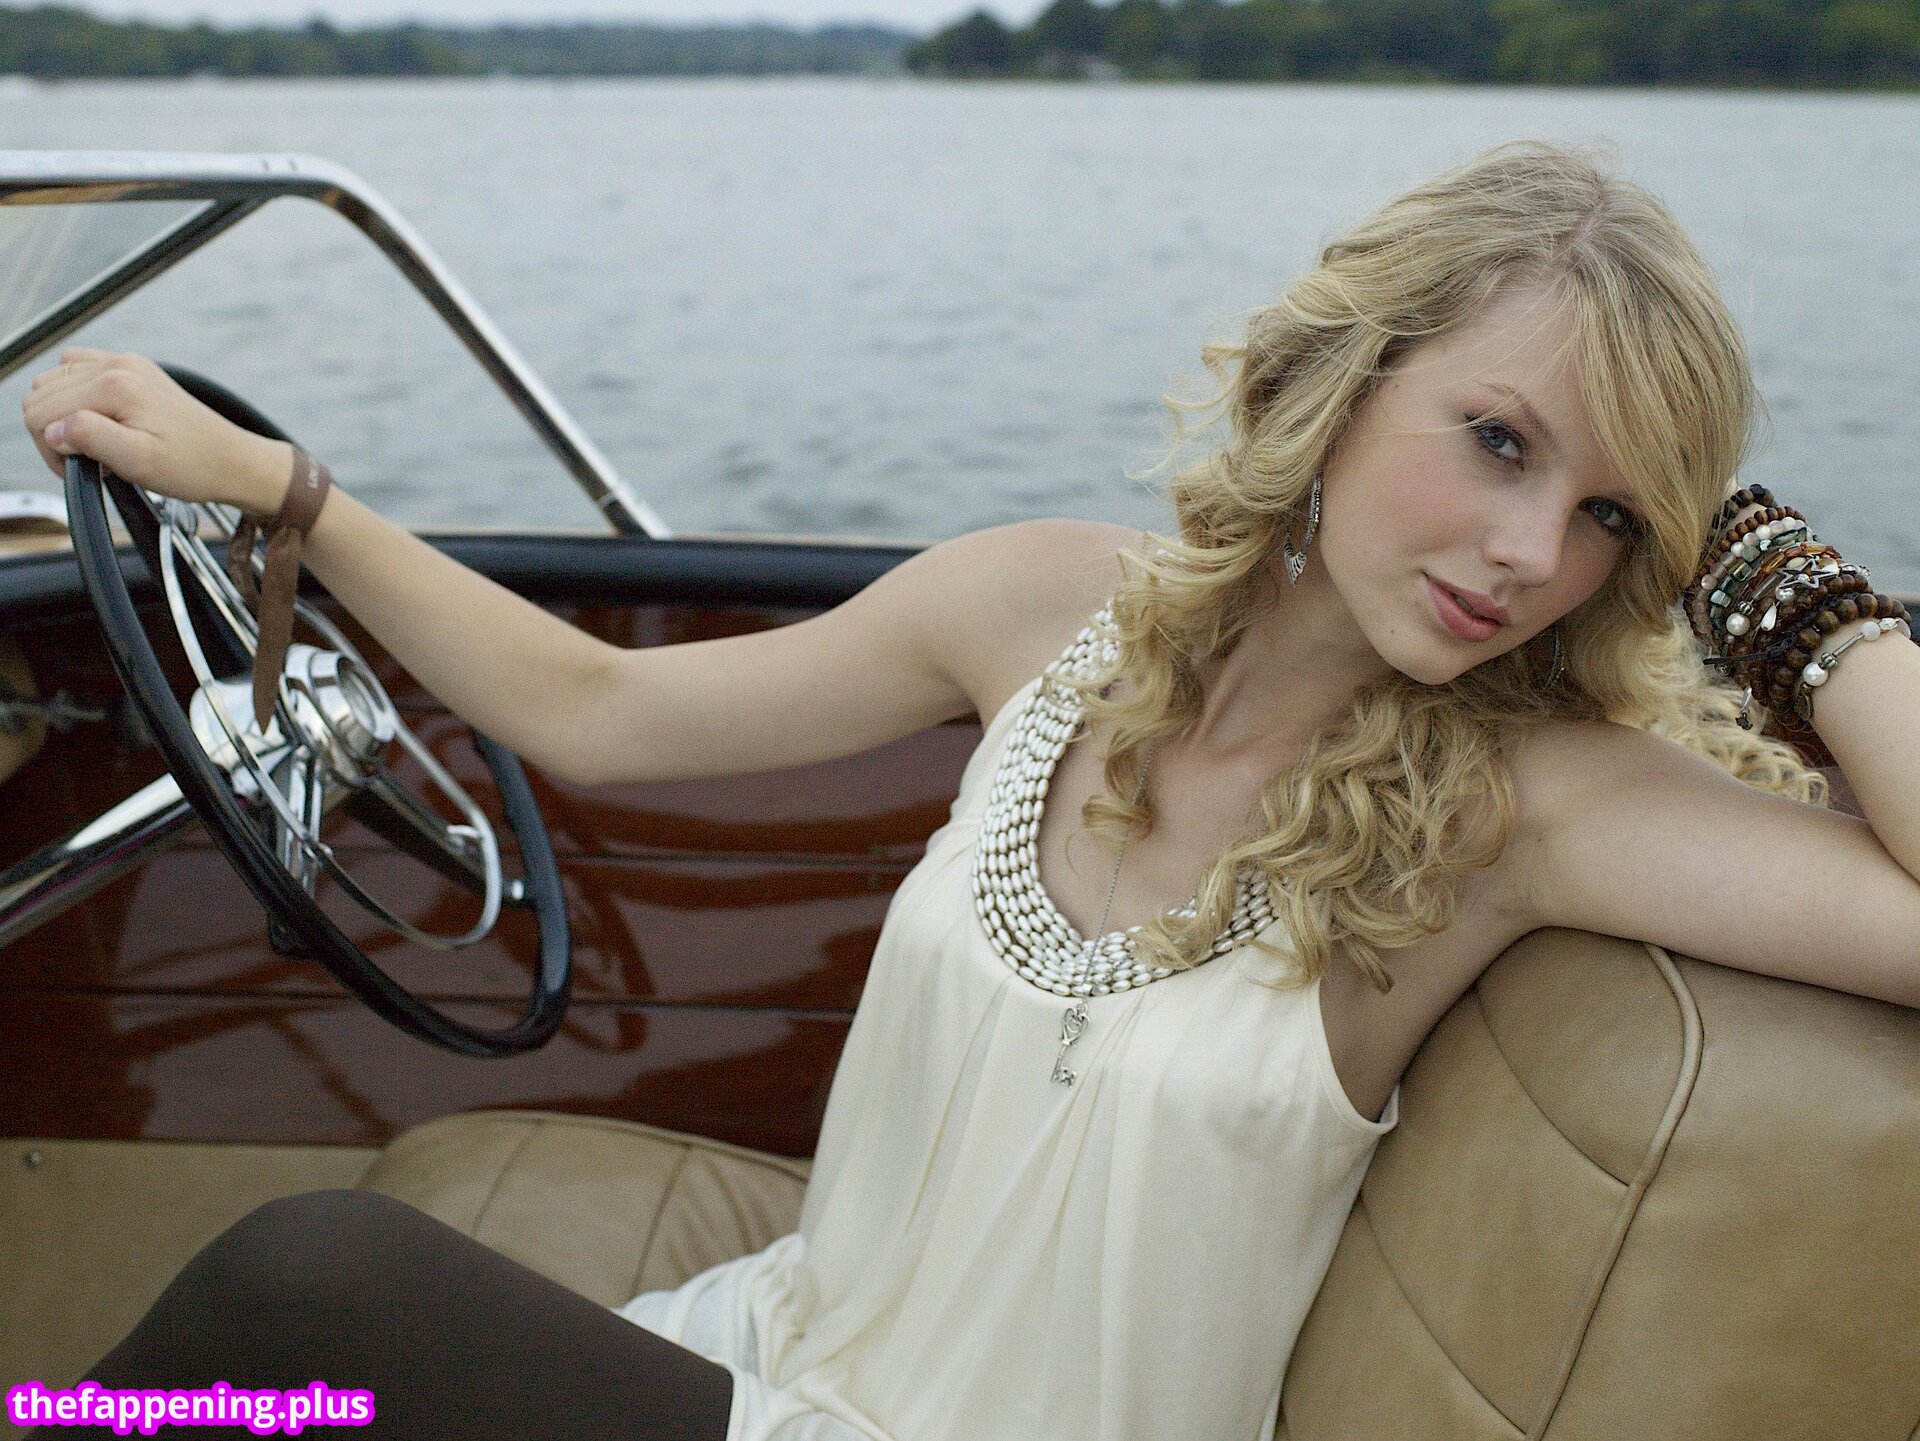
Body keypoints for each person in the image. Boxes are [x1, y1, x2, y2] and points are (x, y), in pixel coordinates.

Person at [18, 137, 1918, 1440]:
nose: (1527, 552)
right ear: (1346, 383)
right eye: (1496, 440)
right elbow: (600, 709)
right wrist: (284, 491)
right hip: (775, 1360)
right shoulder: (1048, 606)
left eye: (1608, 516)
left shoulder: (1523, 803)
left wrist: (1778, 583)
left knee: (313, 1288)